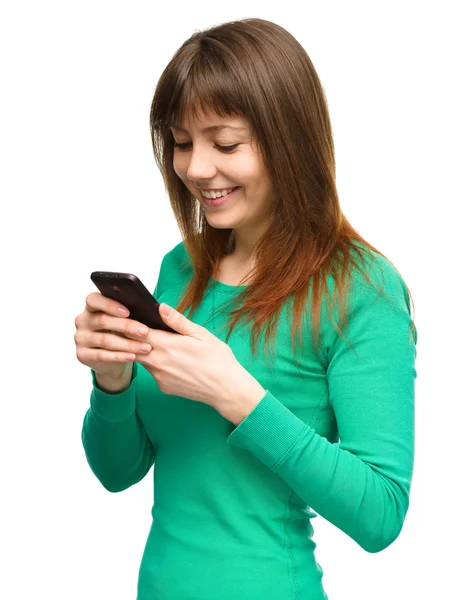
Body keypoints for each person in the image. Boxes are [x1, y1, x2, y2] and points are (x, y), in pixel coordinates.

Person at [75, 17, 417, 600]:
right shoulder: (180, 269)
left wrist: (237, 396)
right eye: (182, 143)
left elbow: (382, 514)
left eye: (225, 143)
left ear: (290, 138)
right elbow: (118, 473)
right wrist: (111, 382)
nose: (196, 169)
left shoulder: (361, 289)